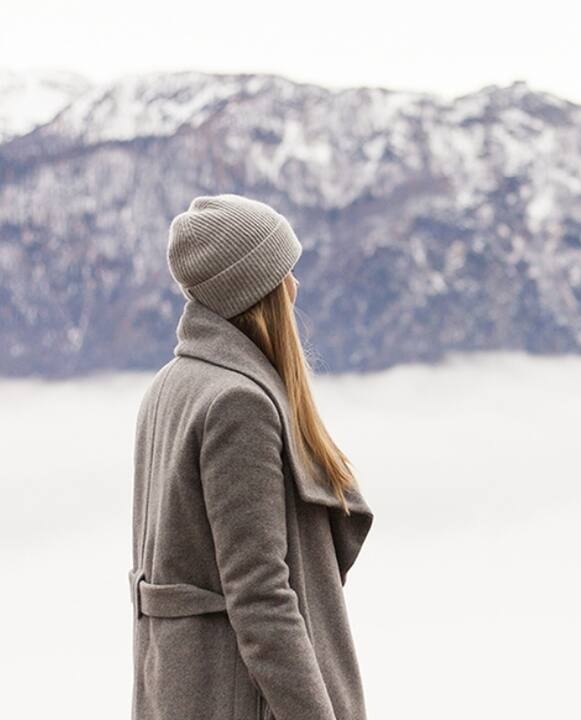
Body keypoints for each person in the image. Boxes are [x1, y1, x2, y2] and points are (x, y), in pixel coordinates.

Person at [130, 194, 375, 720]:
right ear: (258, 288)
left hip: (183, 695)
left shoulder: (168, 386)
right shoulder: (238, 404)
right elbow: (261, 598)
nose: (296, 285)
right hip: (242, 699)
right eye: (286, 270)